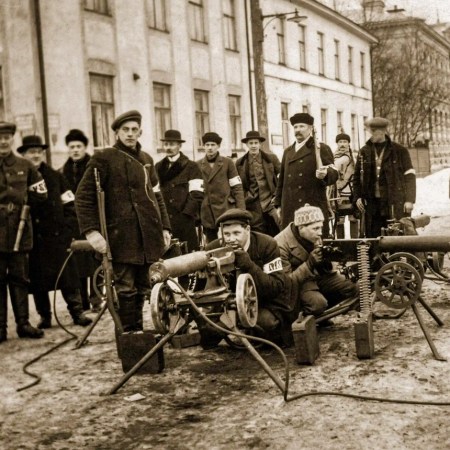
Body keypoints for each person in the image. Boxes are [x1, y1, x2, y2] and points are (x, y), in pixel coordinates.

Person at [76, 110, 171, 332]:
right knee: (125, 289)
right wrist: (92, 232)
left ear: (140, 132)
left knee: (143, 287)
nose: (130, 134)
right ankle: (129, 336)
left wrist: (165, 227)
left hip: (146, 235)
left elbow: (157, 196)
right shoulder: (104, 158)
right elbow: (83, 197)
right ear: (117, 133)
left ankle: (138, 334)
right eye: (125, 130)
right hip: (120, 237)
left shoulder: (147, 160)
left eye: (134, 130)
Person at [19, 135, 92, 329]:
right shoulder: (20, 178)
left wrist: (68, 229)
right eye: (31, 152)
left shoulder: (55, 176)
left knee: (68, 277)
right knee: (37, 281)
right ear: (24, 155)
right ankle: (45, 316)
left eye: (38, 152)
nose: (36, 155)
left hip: (57, 237)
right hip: (34, 239)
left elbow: (70, 204)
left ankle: (77, 313)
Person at [199, 208, 295, 348]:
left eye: (236, 233)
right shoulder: (213, 249)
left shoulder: (267, 245)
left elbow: (276, 286)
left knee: (266, 324)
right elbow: (203, 289)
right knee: (208, 334)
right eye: (226, 234)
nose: (231, 239)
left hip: (264, 302)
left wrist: (249, 265)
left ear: (247, 229)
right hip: (229, 304)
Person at [0, 122, 47, 342]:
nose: (3, 141)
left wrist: (24, 207)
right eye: (0, 137)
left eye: (7, 137)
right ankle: (0, 328)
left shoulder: (25, 165)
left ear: (12, 139)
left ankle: (23, 324)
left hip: (19, 230)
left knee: (20, 278)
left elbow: (41, 193)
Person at [275, 204, 357, 319]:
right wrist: (309, 264)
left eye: (320, 228)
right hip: (297, 286)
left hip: (315, 278)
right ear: (301, 227)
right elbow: (286, 283)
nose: (320, 233)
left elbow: (321, 268)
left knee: (351, 286)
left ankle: (323, 315)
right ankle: (299, 318)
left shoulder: (312, 236)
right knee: (317, 305)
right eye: (316, 228)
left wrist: (326, 262)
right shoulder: (280, 245)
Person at [274, 113, 338, 237]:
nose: (298, 130)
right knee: (291, 240)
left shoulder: (320, 148)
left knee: (313, 240)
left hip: (311, 205)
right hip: (289, 206)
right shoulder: (288, 152)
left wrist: (325, 174)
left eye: (302, 126)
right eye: (295, 127)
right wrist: (278, 205)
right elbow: (281, 181)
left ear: (310, 128)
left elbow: (334, 172)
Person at [353, 117, 416, 238]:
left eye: (374, 131)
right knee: (373, 237)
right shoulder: (364, 152)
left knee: (396, 236)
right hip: (372, 205)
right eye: (370, 131)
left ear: (382, 131)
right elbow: (356, 178)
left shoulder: (399, 151)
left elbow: (410, 176)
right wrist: (357, 197)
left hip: (394, 202)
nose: (371, 134)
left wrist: (409, 200)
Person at [60, 129, 100, 312]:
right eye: (72, 147)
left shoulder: (94, 168)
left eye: (79, 146)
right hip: (74, 222)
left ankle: (97, 298)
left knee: (96, 260)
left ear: (85, 148)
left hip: (93, 219)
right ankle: (83, 300)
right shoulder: (63, 172)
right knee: (79, 262)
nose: (75, 150)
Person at [155, 129, 203, 252]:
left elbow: (197, 194)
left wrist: (185, 216)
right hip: (166, 223)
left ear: (179, 146)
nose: (168, 147)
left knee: (188, 255)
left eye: (172, 144)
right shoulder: (158, 167)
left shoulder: (191, 167)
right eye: (166, 144)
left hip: (185, 222)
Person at [197, 132, 245, 243]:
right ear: (203, 146)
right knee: (212, 246)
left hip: (226, 210)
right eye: (207, 145)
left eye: (213, 145)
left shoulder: (228, 163)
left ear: (218, 146)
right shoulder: (197, 165)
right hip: (207, 214)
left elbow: (237, 188)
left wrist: (241, 212)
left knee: (230, 242)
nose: (210, 148)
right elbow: (195, 193)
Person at [235, 131, 281, 236]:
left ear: (260, 144)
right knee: (258, 233)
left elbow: (281, 179)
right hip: (253, 203)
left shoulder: (271, 159)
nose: (253, 146)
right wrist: (246, 198)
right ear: (247, 145)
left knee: (280, 225)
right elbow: (237, 186)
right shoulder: (240, 163)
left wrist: (277, 196)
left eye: (256, 143)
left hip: (271, 201)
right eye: (251, 143)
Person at [329, 133, 359, 239]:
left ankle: (354, 243)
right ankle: (341, 243)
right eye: (340, 142)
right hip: (338, 193)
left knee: (353, 218)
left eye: (345, 142)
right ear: (337, 143)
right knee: (339, 219)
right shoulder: (334, 156)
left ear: (348, 143)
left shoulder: (349, 157)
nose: (342, 144)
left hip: (349, 192)